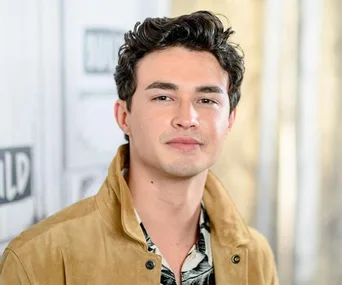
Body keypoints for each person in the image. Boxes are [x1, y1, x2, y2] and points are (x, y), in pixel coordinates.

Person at [0, 10, 279, 285]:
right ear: (124, 117)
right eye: (163, 97)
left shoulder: (254, 255)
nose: (187, 119)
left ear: (230, 120)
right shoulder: (38, 259)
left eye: (206, 100)